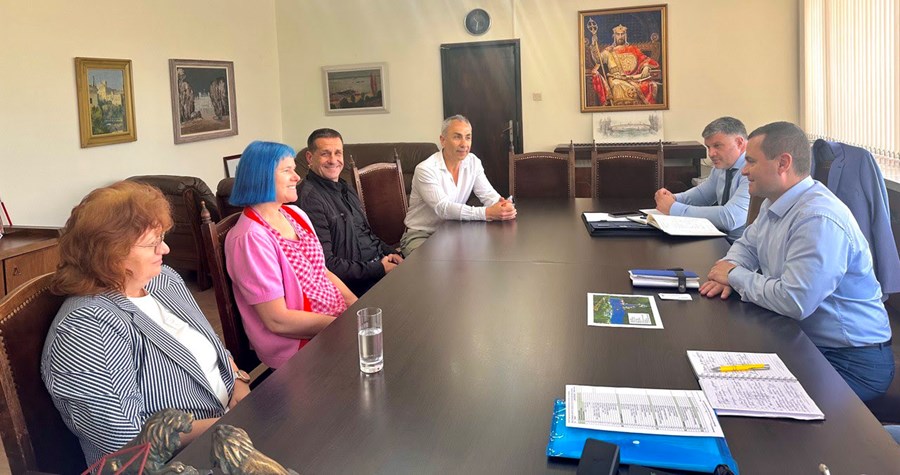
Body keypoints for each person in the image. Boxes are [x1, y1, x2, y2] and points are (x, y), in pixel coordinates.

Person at [42, 181, 251, 465]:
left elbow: (214, 347)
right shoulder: (87, 326)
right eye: (153, 243)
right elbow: (125, 441)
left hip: (229, 432)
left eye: (162, 237)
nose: (165, 249)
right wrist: (226, 427)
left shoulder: (163, 280)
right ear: (111, 252)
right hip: (176, 462)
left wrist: (239, 383)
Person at [700, 122, 894, 401]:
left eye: (751, 161)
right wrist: (728, 269)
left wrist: (733, 276)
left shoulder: (817, 218)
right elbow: (746, 246)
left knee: (743, 400)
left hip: (849, 360)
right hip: (803, 340)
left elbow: (794, 300)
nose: (744, 170)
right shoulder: (775, 201)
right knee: (714, 376)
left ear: (783, 163)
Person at [225, 140, 357, 369]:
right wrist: (342, 326)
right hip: (300, 345)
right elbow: (277, 320)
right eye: (287, 170)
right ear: (262, 177)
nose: (297, 177)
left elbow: (322, 272)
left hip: (332, 324)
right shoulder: (250, 238)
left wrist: (356, 307)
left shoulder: (294, 214)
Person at [297, 128, 403, 296]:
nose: (333, 160)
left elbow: (367, 234)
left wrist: (392, 253)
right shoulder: (310, 199)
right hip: (355, 284)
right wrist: (379, 269)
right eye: (325, 154)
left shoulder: (345, 187)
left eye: (338, 153)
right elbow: (326, 264)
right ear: (310, 158)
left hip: (378, 264)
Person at [399, 115, 516, 256]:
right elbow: (444, 208)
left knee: (487, 256)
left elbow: (487, 194)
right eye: (457, 137)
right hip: (422, 235)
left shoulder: (473, 162)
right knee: (434, 266)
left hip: (454, 231)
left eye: (468, 137)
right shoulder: (425, 169)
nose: (464, 144)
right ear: (443, 140)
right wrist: (487, 213)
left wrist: (502, 206)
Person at [654, 117, 750, 241]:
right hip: (721, 240)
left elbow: (730, 218)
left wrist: (674, 208)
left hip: (744, 247)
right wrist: (674, 198)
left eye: (717, 146)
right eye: (708, 147)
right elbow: (702, 195)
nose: (711, 154)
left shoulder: (752, 170)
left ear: (739, 143)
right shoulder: (723, 166)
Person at [589, 22, 660, 106]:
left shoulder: (633, 49)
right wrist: (594, 44)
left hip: (633, 78)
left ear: (625, 36)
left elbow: (645, 59)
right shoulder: (609, 51)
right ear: (614, 36)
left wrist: (646, 66)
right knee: (617, 84)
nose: (620, 36)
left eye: (622, 34)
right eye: (618, 34)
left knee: (652, 84)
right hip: (616, 78)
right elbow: (598, 60)